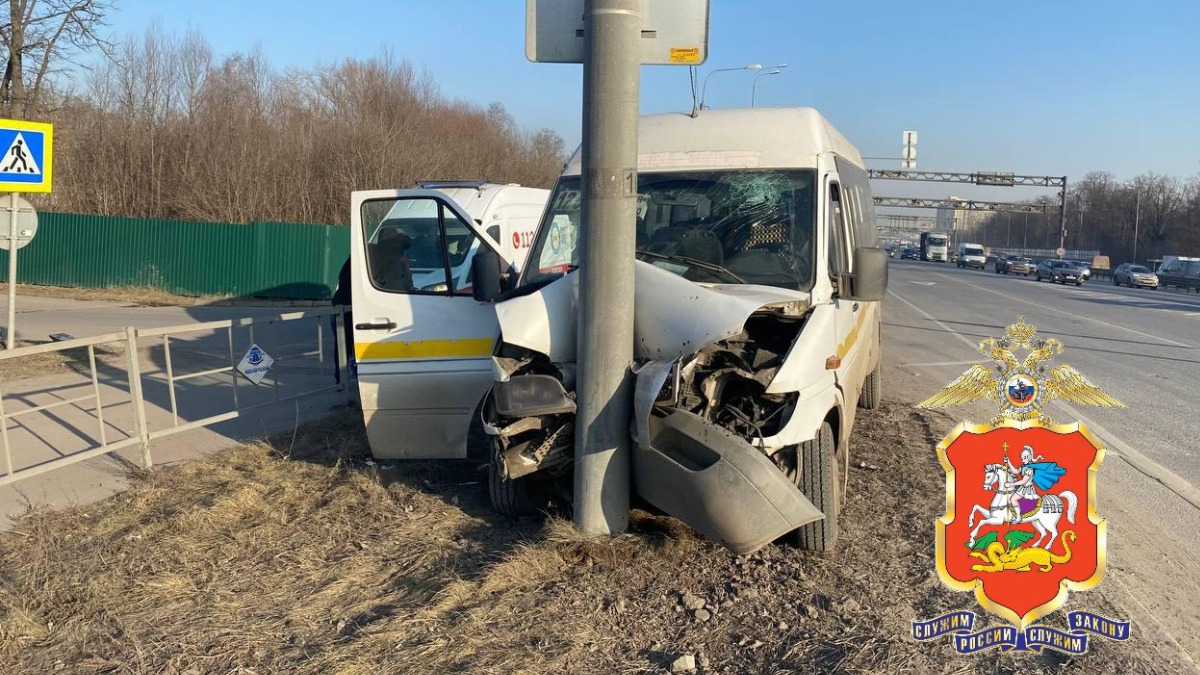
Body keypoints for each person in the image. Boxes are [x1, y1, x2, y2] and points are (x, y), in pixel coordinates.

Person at [330, 258, 356, 384]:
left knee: (342, 346)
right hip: (345, 309)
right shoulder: (361, 263)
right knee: (344, 345)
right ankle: (342, 380)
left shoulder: (352, 261)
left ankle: (341, 379)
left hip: (341, 307)